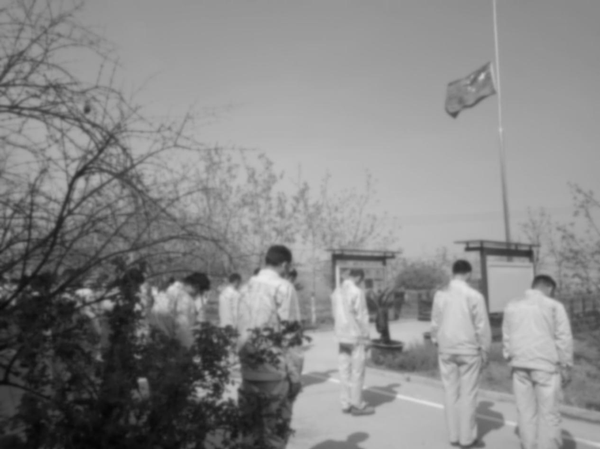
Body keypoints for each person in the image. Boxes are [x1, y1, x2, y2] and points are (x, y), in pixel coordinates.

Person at [236, 245, 303, 449]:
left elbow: (240, 327)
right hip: (273, 371)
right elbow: (291, 334)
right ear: (285, 264)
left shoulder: (245, 287)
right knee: (275, 434)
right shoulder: (283, 287)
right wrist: (295, 376)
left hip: (248, 368)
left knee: (250, 432)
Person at [502, 274, 573, 449]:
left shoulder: (512, 306)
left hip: (519, 365)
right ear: (549, 288)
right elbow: (563, 337)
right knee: (549, 414)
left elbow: (507, 335)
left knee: (525, 411)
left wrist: (509, 356)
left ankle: (528, 445)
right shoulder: (554, 306)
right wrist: (566, 365)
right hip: (545, 366)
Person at [431, 260, 491, 448]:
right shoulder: (475, 295)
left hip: (446, 349)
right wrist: (485, 350)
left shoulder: (440, 295)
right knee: (468, 394)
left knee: (450, 392)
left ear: (453, 272)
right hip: (468, 350)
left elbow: (435, 322)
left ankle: (454, 436)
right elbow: (482, 326)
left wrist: (436, 340)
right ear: (468, 274)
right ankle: (467, 439)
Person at [331, 268, 374, 416]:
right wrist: (367, 337)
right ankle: (357, 404)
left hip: (341, 336)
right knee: (357, 371)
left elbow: (334, 313)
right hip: (355, 336)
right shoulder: (357, 292)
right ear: (359, 277)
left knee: (344, 370)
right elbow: (362, 315)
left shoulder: (337, 291)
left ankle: (345, 403)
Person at [152, 272, 210, 348]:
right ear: (196, 287)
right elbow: (182, 327)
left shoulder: (170, 290)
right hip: (170, 343)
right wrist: (187, 348)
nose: (198, 295)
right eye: (201, 292)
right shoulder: (184, 299)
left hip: (156, 337)